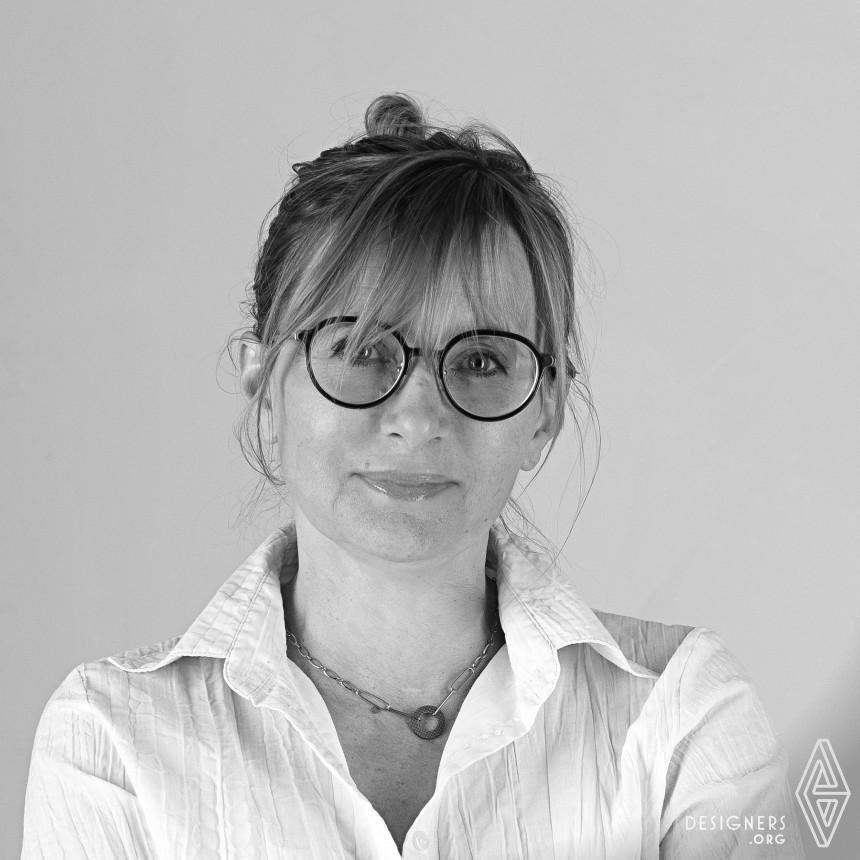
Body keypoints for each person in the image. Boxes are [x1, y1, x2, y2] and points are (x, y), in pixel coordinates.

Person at [21, 94, 806, 859]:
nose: (419, 416)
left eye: (482, 360)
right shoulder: (113, 739)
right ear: (265, 386)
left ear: (545, 410)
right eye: (362, 349)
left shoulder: (682, 712)